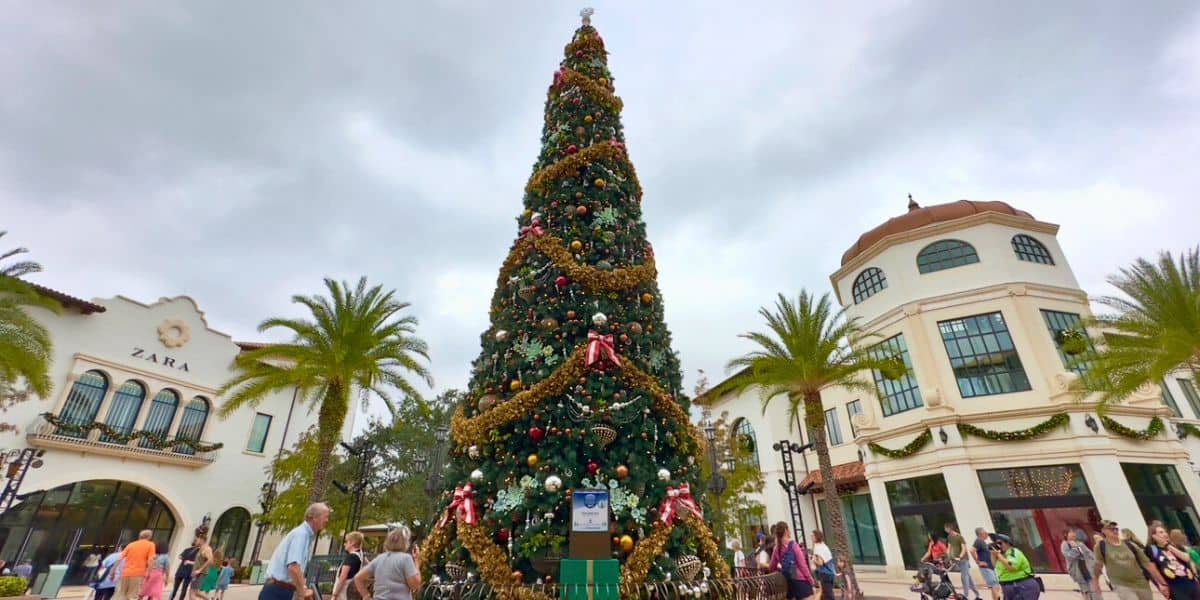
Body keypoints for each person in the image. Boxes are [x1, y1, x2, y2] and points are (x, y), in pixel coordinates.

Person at [259, 502, 332, 600]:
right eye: (325, 517)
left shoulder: (303, 534)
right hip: (278, 592)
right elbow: (293, 568)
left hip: (279, 590)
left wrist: (302, 589)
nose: (327, 520)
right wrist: (303, 593)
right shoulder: (301, 535)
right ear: (314, 517)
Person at [1092, 519, 1169, 600]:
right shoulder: (1101, 546)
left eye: (1116, 528)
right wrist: (1096, 582)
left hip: (1140, 582)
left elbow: (1147, 564)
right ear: (1103, 531)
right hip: (1121, 584)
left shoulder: (1130, 545)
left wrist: (1162, 583)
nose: (1114, 531)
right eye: (1111, 529)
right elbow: (1098, 565)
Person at [354, 526, 421, 600]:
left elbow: (358, 578)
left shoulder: (379, 558)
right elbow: (415, 585)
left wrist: (366, 596)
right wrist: (417, 561)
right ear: (405, 542)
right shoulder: (406, 558)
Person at [1146, 524, 1200, 600]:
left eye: (1165, 532)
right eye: (1161, 532)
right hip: (1175, 586)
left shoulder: (1173, 545)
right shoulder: (1151, 549)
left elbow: (1187, 558)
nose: (1165, 534)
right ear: (1153, 536)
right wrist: (1162, 584)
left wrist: (1168, 546)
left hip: (1190, 582)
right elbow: (1152, 569)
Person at [769, 521, 814, 600]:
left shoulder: (776, 548)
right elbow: (802, 565)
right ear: (786, 530)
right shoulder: (793, 545)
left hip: (788, 583)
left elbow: (771, 567)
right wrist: (811, 580)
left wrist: (781, 569)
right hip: (800, 581)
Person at [991, 534, 1040, 600]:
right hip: (1008, 587)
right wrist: (993, 554)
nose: (998, 546)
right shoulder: (1002, 556)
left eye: (1000, 543)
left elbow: (1011, 567)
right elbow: (994, 565)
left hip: (1022, 586)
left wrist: (998, 555)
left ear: (1008, 543)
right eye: (996, 544)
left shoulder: (1014, 552)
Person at [117, 531, 157, 600]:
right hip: (138, 574)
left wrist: (113, 570)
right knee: (132, 596)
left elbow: (120, 558)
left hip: (125, 573)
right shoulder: (151, 545)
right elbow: (151, 560)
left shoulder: (131, 544)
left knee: (122, 595)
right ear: (149, 537)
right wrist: (149, 573)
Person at [1061, 529, 1099, 600]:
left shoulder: (1079, 543)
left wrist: (1094, 563)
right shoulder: (1064, 545)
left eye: (1074, 532)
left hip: (1088, 569)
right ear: (1066, 535)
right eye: (1071, 532)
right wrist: (1075, 548)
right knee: (1085, 590)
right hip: (1078, 571)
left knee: (1094, 590)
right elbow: (1070, 556)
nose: (1074, 534)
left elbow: (1089, 554)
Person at [945, 523, 979, 600]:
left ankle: (965, 596)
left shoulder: (959, 537)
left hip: (963, 559)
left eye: (946, 528)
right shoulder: (949, 537)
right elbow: (949, 548)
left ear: (950, 528)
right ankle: (977, 594)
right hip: (956, 560)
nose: (945, 530)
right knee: (968, 577)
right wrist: (948, 556)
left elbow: (964, 548)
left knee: (964, 577)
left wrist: (960, 557)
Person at [333, 531, 367, 600]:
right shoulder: (361, 555)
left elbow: (343, 577)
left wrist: (335, 595)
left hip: (343, 593)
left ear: (352, 543)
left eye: (347, 542)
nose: (344, 544)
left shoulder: (351, 557)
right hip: (351, 593)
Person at [970, 528, 1000, 600]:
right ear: (981, 534)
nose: (987, 534)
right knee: (995, 586)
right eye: (985, 533)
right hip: (986, 568)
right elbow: (971, 550)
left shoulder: (982, 542)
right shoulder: (978, 541)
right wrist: (978, 562)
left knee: (995, 587)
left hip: (990, 567)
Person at [810, 530, 836, 600]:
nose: (811, 537)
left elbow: (821, 563)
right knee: (825, 594)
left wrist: (813, 559)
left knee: (828, 596)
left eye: (812, 536)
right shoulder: (823, 545)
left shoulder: (819, 547)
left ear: (816, 537)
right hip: (830, 573)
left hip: (825, 573)